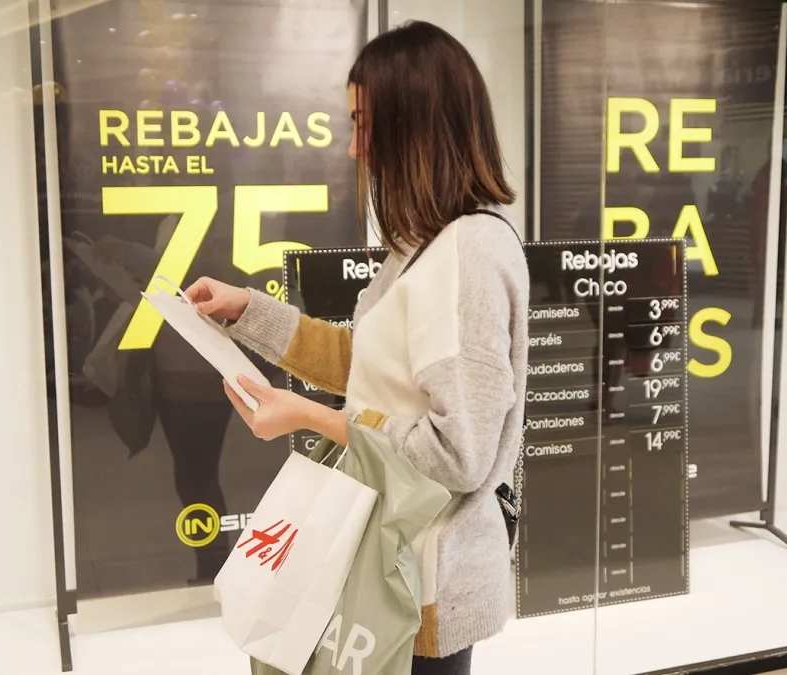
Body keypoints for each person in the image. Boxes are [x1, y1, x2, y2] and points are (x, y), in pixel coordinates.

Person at [185, 20, 529, 675]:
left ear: (416, 126)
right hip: (390, 558)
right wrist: (246, 309)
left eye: (366, 124)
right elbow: (363, 366)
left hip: (419, 586)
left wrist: (312, 417)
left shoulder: (467, 255)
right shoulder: (424, 249)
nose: (354, 148)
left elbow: (460, 455)